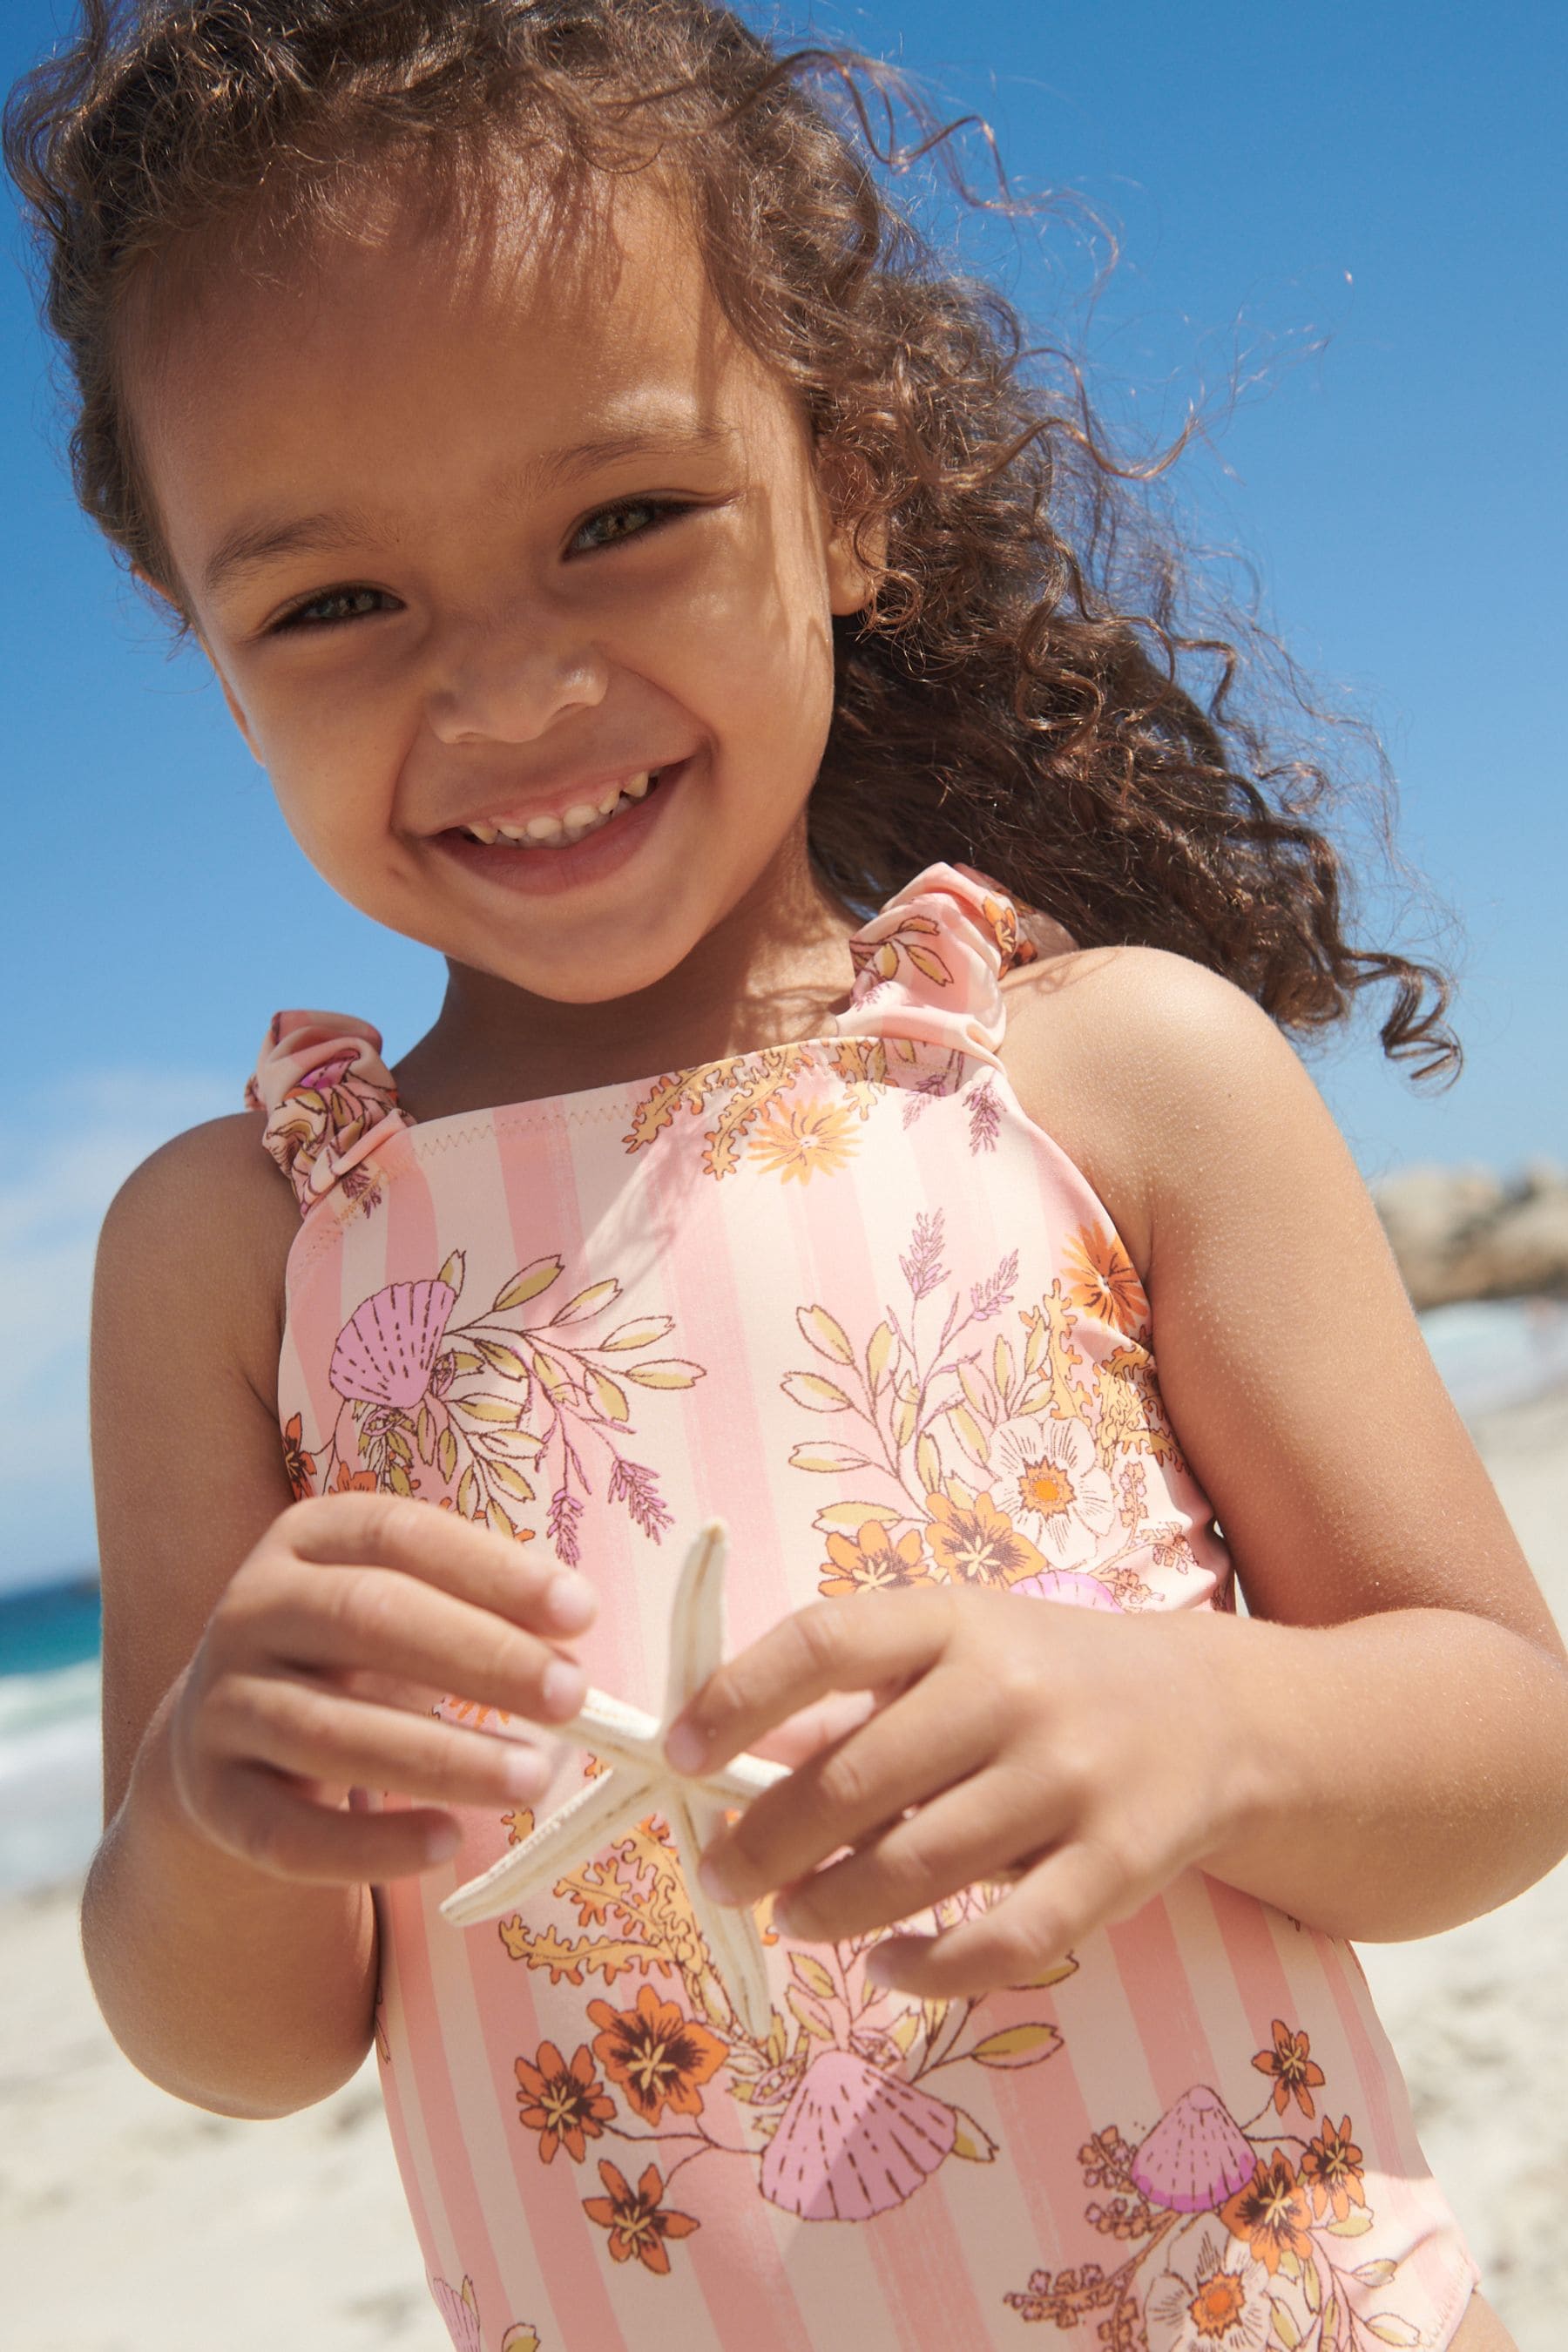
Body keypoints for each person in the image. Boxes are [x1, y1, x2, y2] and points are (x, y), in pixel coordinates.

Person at [8, 4, 1564, 2347]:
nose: (513, 686)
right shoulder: (241, 1248)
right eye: (337, 600)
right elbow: (240, 2036)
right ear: (215, 658)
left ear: (844, 489)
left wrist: (1205, 1721)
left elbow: (1506, 1740)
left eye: (621, 520)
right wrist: (207, 1822)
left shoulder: (1109, 1075)